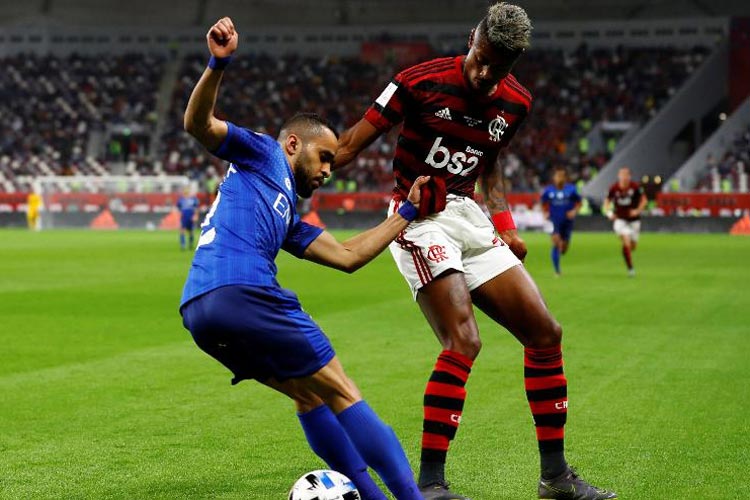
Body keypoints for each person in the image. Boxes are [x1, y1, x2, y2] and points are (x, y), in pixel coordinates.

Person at [334, 3, 616, 499]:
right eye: (480, 58)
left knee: (545, 333)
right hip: (417, 217)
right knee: (464, 340)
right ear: (472, 38)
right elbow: (351, 143)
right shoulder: (417, 81)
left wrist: (504, 224)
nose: (485, 73)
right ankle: (432, 486)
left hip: (469, 216)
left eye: (498, 68)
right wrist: (284, 173)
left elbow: (491, 162)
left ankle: (555, 478)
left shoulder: (517, 103)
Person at [179, 17, 428, 500]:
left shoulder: (284, 209)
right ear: (293, 144)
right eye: (325, 157)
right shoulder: (262, 154)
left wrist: (410, 212)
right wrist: (218, 64)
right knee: (342, 389)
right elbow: (197, 124)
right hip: (245, 291)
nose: (330, 170)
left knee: (306, 394)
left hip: (199, 309)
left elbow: (349, 256)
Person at [603, 167, 647, 277]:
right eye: (622, 174)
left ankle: (627, 255)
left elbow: (644, 200)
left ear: (629, 176)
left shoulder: (635, 187)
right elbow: (607, 201)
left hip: (634, 221)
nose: (624, 177)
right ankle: (630, 269)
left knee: (633, 246)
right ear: (619, 176)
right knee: (626, 240)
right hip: (620, 219)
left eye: (626, 174)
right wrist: (609, 213)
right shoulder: (614, 188)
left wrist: (637, 211)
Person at [541, 167, 582, 276]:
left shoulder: (571, 189)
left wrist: (574, 211)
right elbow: (543, 203)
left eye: (562, 176)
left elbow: (579, 202)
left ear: (565, 178)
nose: (560, 178)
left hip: (567, 222)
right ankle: (557, 271)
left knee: (564, 248)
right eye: (557, 176)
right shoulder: (549, 190)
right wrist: (545, 212)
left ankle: (562, 249)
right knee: (556, 243)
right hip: (554, 221)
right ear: (554, 178)